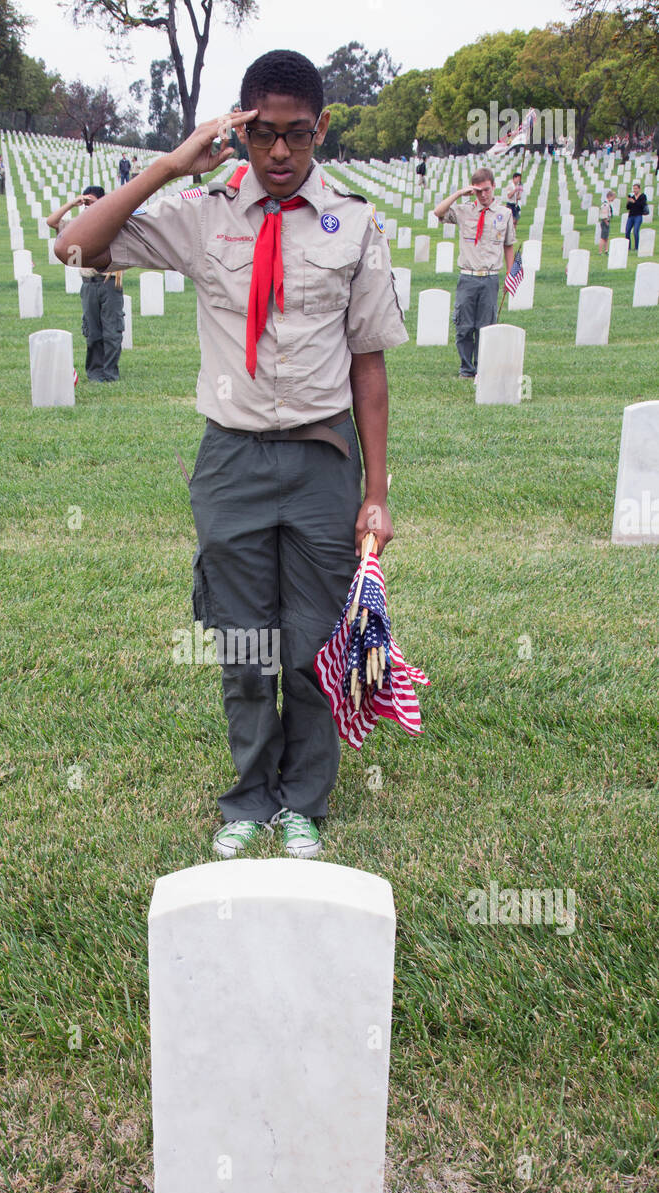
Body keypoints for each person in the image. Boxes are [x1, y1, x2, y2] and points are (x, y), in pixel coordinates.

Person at [55, 48, 407, 861]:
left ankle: (304, 805)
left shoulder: (351, 221)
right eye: (262, 136)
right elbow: (74, 249)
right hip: (232, 462)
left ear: (321, 129)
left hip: (323, 461)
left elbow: (369, 364)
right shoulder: (203, 213)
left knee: (317, 647)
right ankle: (248, 796)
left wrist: (377, 490)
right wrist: (174, 163)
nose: (279, 155)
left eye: (296, 136)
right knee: (246, 648)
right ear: (239, 130)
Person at [433, 168, 515, 381]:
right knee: (464, 326)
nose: (483, 195)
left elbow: (508, 245)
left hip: (489, 277)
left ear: (493, 186)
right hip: (468, 276)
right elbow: (438, 212)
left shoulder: (504, 214)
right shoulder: (464, 210)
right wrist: (460, 193)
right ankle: (466, 369)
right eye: (478, 191)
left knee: (486, 327)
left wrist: (509, 272)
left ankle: (483, 368)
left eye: (486, 190)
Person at [47, 187, 125, 383]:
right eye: (86, 203)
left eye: (93, 202)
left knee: (112, 331)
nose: (88, 207)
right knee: (92, 331)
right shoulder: (77, 226)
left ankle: (110, 373)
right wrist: (73, 203)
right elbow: (52, 222)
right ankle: (95, 373)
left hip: (109, 282)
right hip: (89, 284)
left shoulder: (112, 223)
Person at [625, 182, 647, 251]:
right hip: (631, 216)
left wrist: (634, 202)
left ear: (639, 189)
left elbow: (642, 205)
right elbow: (628, 207)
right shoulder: (632, 197)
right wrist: (628, 201)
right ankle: (628, 247)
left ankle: (636, 247)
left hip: (638, 216)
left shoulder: (643, 196)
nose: (634, 190)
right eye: (634, 189)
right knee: (627, 231)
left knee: (635, 231)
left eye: (636, 189)